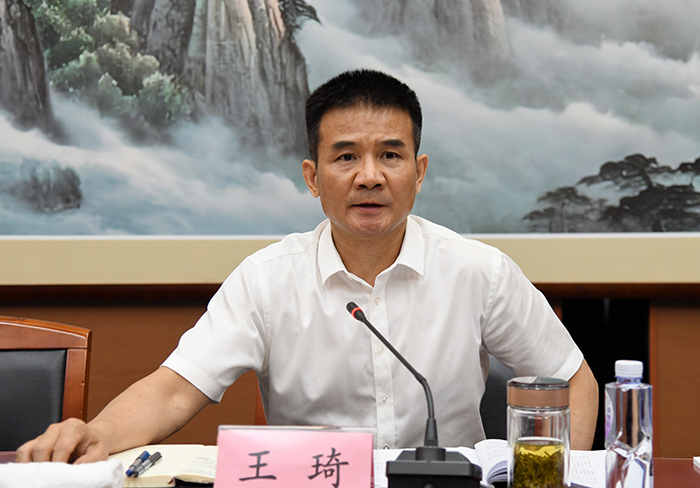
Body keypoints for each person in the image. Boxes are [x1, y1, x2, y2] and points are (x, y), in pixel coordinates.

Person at [17, 69, 598, 464]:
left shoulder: (479, 271)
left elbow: (573, 379)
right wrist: (96, 434)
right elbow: (173, 391)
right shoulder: (267, 279)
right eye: (346, 156)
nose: (369, 176)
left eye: (390, 155)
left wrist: (561, 476)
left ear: (419, 173)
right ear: (313, 177)